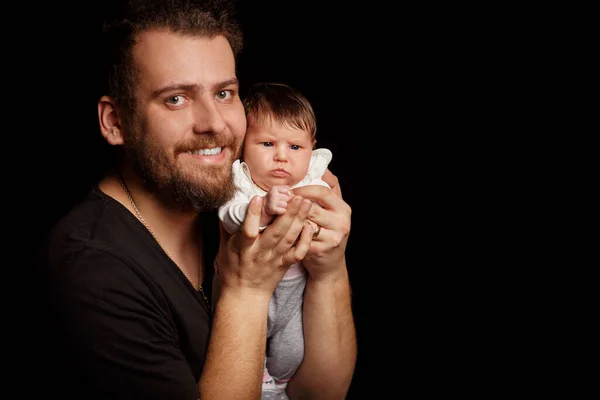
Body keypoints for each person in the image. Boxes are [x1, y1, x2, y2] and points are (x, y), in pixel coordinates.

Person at [35, 0, 356, 399]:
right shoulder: (91, 269)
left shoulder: (223, 198)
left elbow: (321, 393)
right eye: (176, 99)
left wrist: (329, 269)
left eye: (224, 93)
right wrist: (246, 293)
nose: (215, 124)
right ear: (115, 122)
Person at [215, 82, 333, 397]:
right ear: (243, 146)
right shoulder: (241, 182)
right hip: (248, 286)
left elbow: (328, 219)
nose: (282, 157)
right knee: (245, 338)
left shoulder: (313, 179)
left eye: (295, 147)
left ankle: (277, 386)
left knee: (291, 348)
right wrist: (263, 210)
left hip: (297, 284)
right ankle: (257, 381)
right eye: (267, 144)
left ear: (311, 148)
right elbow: (228, 216)